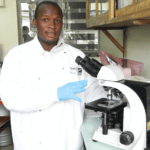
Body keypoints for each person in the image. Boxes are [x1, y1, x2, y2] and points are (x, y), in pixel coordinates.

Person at [0, 1, 106, 150]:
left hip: (69, 142)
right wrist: (55, 94)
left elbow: (94, 95)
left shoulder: (76, 56)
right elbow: (11, 99)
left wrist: (111, 91)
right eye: (45, 20)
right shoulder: (17, 56)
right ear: (35, 23)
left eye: (57, 20)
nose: (52, 26)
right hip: (33, 143)